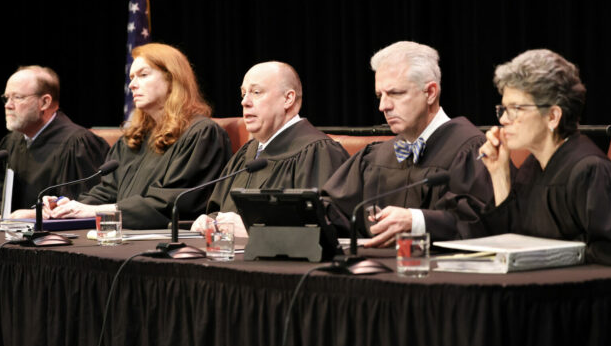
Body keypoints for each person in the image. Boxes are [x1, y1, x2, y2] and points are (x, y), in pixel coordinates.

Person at [477, 49, 611, 265]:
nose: (504, 119)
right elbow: (510, 243)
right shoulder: (532, 167)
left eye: (516, 108)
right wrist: (499, 174)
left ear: (553, 116)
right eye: (503, 109)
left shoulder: (590, 172)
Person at [322, 41, 493, 247]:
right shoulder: (375, 156)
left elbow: (482, 224)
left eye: (396, 93)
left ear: (430, 92)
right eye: (380, 95)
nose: (383, 106)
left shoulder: (471, 149)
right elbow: (334, 210)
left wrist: (417, 221)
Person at [45, 43, 232, 229]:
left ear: (172, 79)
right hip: (121, 236)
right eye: (131, 77)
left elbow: (171, 204)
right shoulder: (133, 139)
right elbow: (107, 192)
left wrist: (96, 211)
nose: (132, 85)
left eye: (143, 75)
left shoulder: (201, 134)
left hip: (167, 242)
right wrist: (66, 207)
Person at [191, 61, 350, 236]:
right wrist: (210, 222)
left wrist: (257, 231)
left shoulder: (318, 152)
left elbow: (328, 230)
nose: (245, 102)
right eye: (243, 94)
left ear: (288, 99)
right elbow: (220, 209)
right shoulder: (246, 154)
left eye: (256, 92)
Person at [0, 66, 110, 218]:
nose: (8, 105)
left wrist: (33, 215)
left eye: (17, 97)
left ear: (45, 102)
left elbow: (83, 207)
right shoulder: (10, 143)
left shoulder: (78, 144)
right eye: (6, 98)